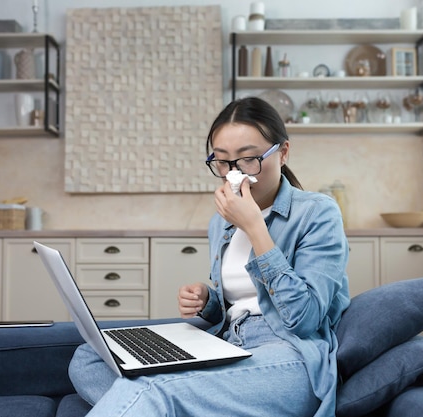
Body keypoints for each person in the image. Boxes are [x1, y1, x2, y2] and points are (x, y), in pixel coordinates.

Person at [69, 96, 350, 417]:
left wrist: (256, 229)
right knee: (89, 357)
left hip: (288, 355)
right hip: (228, 343)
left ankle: (160, 400)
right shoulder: (221, 223)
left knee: (145, 387)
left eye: (248, 159)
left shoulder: (317, 212)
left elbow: (305, 319)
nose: (235, 174)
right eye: (223, 161)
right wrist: (209, 301)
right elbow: (238, 303)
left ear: (283, 152)